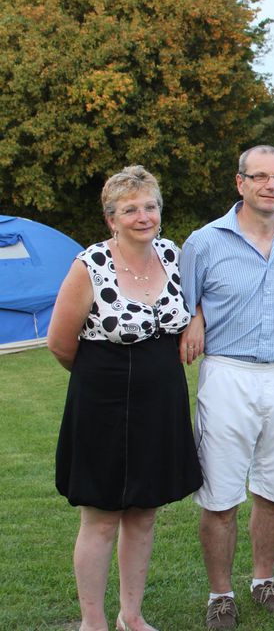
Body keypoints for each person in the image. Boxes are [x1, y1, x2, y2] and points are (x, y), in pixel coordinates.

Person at [48, 166, 203, 631]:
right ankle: (91, 621)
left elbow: (193, 303)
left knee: (144, 512)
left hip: (162, 397)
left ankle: (130, 616)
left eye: (150, 206)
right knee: (99, 516)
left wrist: (195, 321)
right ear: (110, 218)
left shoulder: (174, 255)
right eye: (130, 209)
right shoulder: (89, 264)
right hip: (102, 399)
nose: (143, 216)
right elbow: (60, 341)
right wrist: (105, 380)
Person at [178, 146, 274, 630]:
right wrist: (195, 315)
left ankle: (264, 581)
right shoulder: (203, 242)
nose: (270, 185)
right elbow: (177, 303)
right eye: (259, 177)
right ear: (239, 183)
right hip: (226, 373)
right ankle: (221, 594)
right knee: (220, 495)